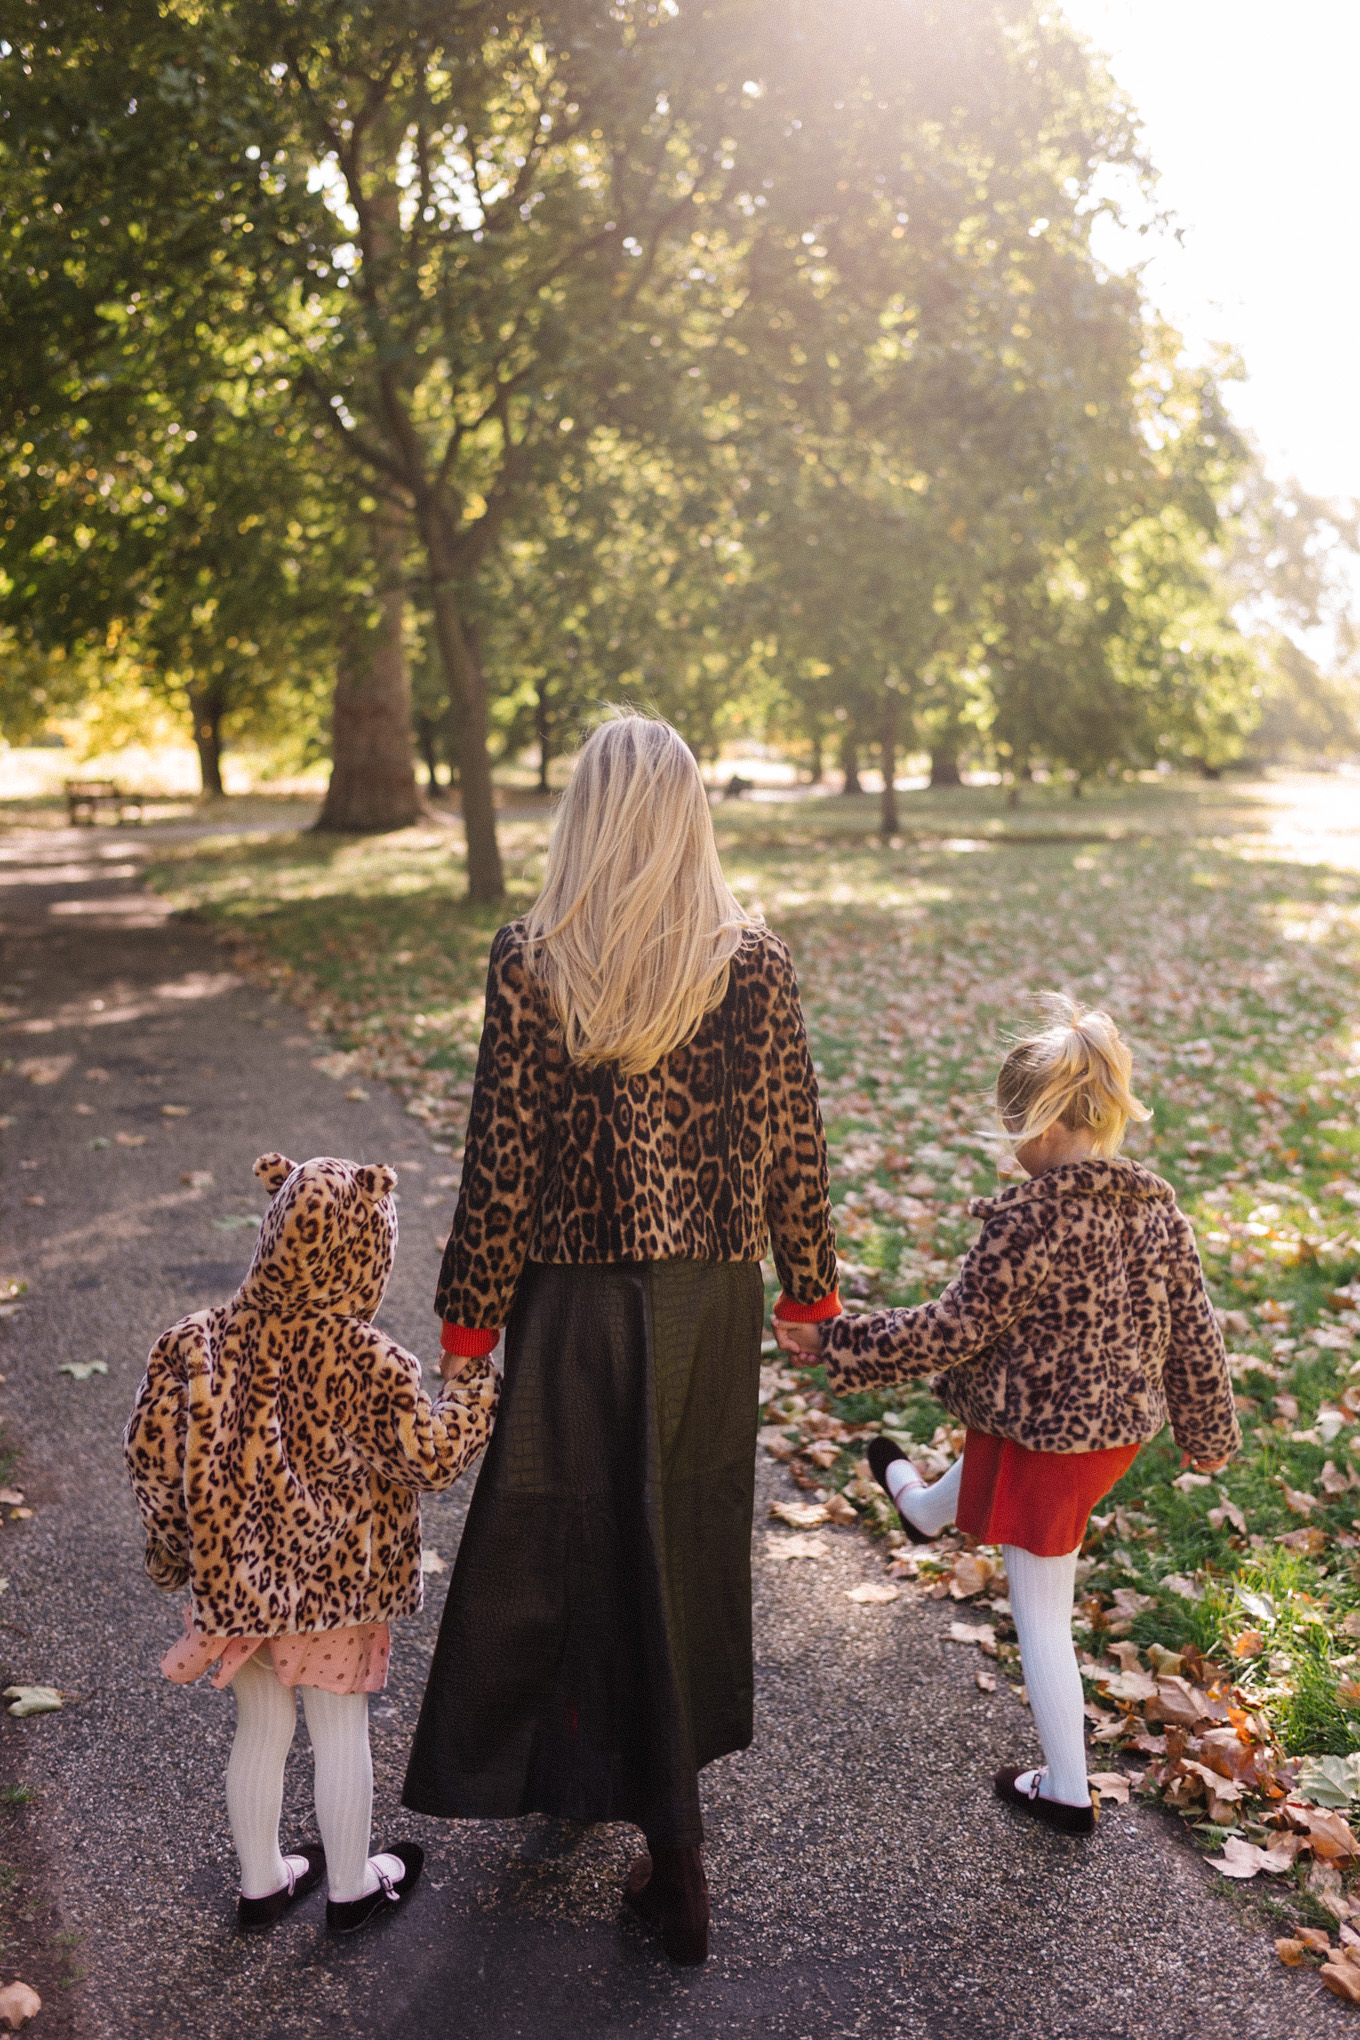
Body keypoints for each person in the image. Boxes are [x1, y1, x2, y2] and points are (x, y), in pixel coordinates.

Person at [402, 712, 839, 1965]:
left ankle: (665, 1840)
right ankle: (641, 1813)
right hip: (711, 1298)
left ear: (583, 816)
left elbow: (502, 1156)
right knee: (678, 1544)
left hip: (575, 1296)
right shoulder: (749, 960)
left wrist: (471, 1318)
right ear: (691, 816)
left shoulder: (538, 957)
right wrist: (807, 1292)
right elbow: (794, 1142)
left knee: (568, 1536)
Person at [775, 998, 1239, 1836]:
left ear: (1041, 1125)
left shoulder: (1029, 1220)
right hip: (1107, 1434)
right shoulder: (1157, 1209)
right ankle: (921, 1510)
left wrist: (836, 1341)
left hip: (1052, 1442)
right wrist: (1207, 1434)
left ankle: (1066, 1788)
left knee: (1042, 1617)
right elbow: (1196, 1331)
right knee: (992, 1454)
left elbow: (949, 1330)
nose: (1010, 1147)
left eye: (1011, 1129)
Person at [123, 1151, 498, 1935]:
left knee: (261, 1729)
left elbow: (152, 1459)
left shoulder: (193, 1343)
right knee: (340, 1732)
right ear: (367, 1252)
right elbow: (431, 1458)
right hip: (339, 1590)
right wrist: (472, 1391)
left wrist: (170, 1551)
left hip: (237, 1587)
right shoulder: (369, 1359)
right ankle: (352, 1887)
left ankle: (261, 1884)